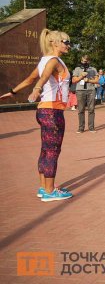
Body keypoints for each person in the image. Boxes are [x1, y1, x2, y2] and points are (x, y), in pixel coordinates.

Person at [0, 29, 73, 201]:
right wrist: (37, 89)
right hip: (53, 112)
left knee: (46, 150)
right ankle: (49, 192)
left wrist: (12, 92)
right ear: (54, 43)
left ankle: (43, 187)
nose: (68, 45)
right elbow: (44, 77)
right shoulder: (54, 60)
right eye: (65, 42)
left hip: (43, 111)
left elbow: (29, 79)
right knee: (53, 151)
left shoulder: (44, 60)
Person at [71, 55, 99, 133]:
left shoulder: (93, 69)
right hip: (80, 90)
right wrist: (81, 76)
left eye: (86, 61)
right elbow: (74, 80)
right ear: (81, 61)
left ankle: (91, 127)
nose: (84, 62)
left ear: (89, 61)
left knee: (91, 109)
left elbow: (97, 80)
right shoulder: (77, 69)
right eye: (83, 61)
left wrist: (89, 80)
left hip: (91, 90)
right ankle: (81, 128)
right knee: (81, 110)